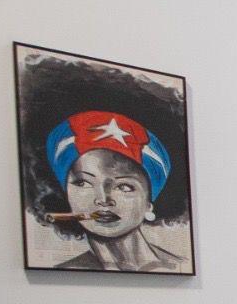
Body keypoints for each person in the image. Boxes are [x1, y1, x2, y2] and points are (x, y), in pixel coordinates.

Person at [43, 110, 188, 272]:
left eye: (123, 186)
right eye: (83, 183)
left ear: (148, 204)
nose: (103, 199)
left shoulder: (178, 267)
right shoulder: (64, 272)